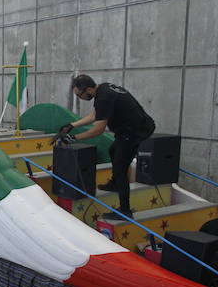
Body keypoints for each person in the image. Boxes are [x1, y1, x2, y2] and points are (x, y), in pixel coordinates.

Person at [54, 75, 155, 221]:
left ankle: (125, 210)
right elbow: (96, 115)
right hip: (132, 128)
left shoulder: (103, 97)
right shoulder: (103, 89)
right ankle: (115, 184)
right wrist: (72, 125)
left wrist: (74, 138)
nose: (80, 98)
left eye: (79, 95)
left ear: (87, 90)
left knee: (120, 167)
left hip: (135, 131)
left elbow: (98, 130)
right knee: (113, 150)